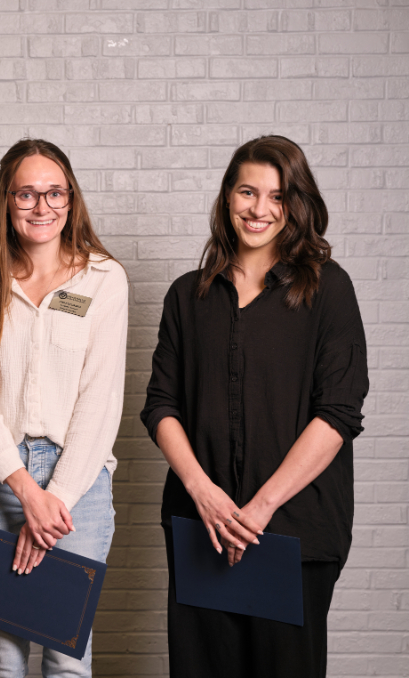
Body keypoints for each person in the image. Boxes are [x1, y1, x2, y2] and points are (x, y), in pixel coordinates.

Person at [140, 135, 369, 678]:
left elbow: (338, 413)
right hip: (201, 526)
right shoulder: (186, 295)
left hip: (295, 533)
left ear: (297, 205)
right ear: (227, 197)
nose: (260, 209)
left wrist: (259, 509)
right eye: (248, 191)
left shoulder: (329, 291)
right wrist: (205, 495)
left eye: (278, 196)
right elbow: (160, 405)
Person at [0, 138, 128, 677]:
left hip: (80, 486)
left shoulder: (103, 279)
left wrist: (54, 499)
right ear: (7, 201)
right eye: (26, 194)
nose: (41, 207)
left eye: (54, 193)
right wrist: (25, 491)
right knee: (1, 655)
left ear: (71, 200)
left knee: (67, 657)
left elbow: (101, 400)